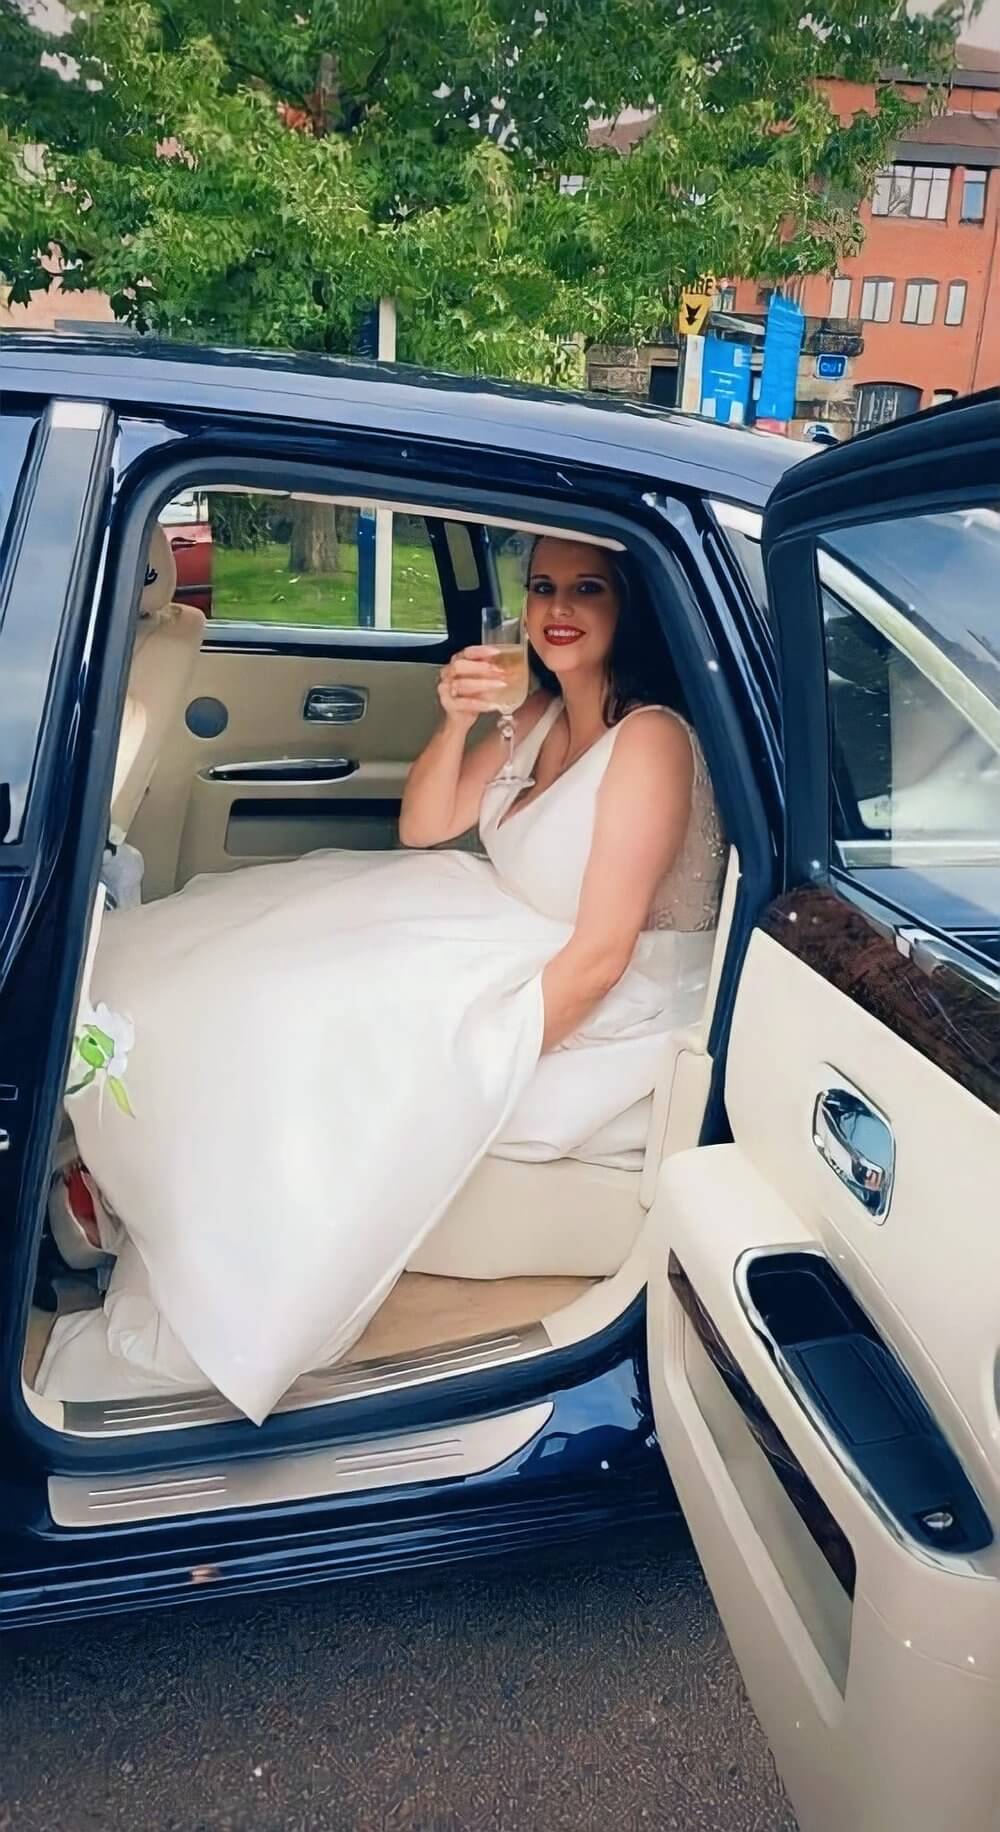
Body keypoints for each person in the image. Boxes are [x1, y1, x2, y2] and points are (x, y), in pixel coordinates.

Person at [39, 537, 724, 1423]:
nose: (558, 608)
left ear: (630, 609)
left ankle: (205, 1248)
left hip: (609, 990)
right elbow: (427, 824)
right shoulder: (542, 713)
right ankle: (139, 1194)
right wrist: (456, 720)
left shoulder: (652, 741)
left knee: (313, 1022)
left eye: (587, 589)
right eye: (544, 587)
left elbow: (600, 954)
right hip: (508, 929)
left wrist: (477, 1055)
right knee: (251, 961)